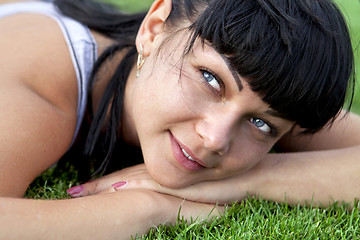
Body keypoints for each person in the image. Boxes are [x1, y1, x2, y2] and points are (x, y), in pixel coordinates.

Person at [0, 0, 358, 238]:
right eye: (210, 79)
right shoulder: (42, 90)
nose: (216, 139)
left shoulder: (260, 92)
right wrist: (147, 208)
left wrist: (247, 181)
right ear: (153, 30)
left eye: (263, 124)